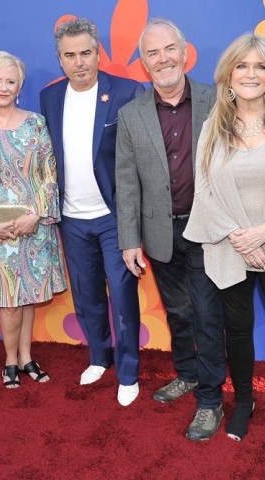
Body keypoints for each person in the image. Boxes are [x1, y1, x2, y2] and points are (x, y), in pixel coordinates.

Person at [115, 18, 226, 439]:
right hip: (160, 235)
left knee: (206, 315)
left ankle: (211, 402)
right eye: (152, 53)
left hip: (208, 233)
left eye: (168, 50)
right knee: (178, 311)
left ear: (184, 51)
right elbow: (126, 181)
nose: (162, 59)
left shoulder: (216, 101)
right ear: (143, 63)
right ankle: (188, 374)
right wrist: (129, 240)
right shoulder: (131, 115)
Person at [40, 17, 144, 407]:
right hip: (72, 218)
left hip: (113, 217)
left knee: (122, 295)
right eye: (70, 55)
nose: (79, 62)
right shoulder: (49, 98)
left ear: (98, 53)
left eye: (86, 53)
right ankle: (99, 357)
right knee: (86, 297)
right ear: (60, 59)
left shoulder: (128, 91)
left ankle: (129, 370)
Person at [0, 51, 66, 389]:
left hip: (33, 226)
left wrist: (36, 215)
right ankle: (9, 360)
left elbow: (49, 174)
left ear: (19, 86)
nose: (3, 87)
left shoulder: (36, 124)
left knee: (29, 294)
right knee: (8, 299)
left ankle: (26, 357)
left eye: (10, 81)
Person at [184, 33, 265, 441]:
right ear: (229, 75)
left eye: (260, 66)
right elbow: (204, 189)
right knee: (237, 328)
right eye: (243, 65)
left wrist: (261, 235)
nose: (251, 73)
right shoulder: (212, 126)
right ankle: (245, 403)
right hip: (230, 246)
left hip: (260, 239)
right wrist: (239, 237)